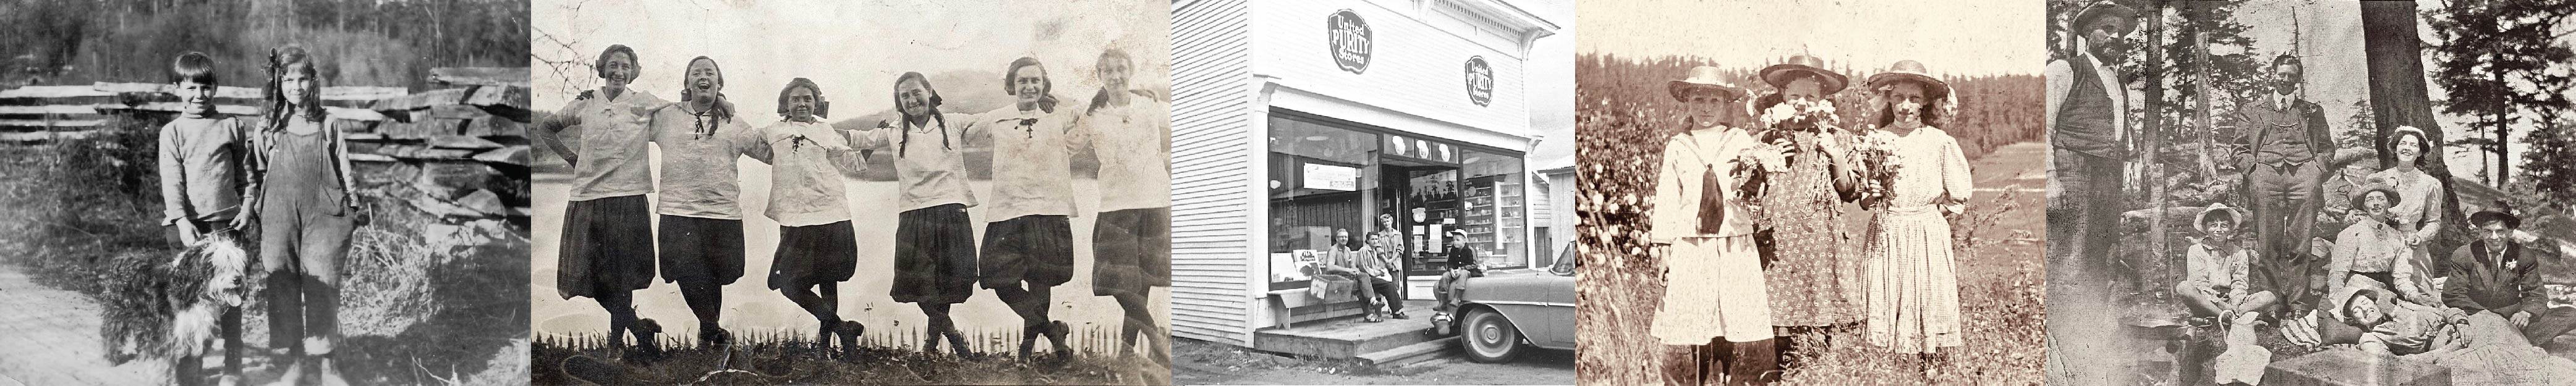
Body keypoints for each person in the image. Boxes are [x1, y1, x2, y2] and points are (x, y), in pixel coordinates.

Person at [534, 44, 669, 362]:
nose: (618, 71)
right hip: (588, 197)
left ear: (634, 71)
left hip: (628, 197)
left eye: (625, 66)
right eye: (612, 65)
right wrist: (570, 157)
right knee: (588, 273)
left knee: (621, 276)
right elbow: (546, 128)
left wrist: (719, 98)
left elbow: (685, 110)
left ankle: (615, 343)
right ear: (601, 69)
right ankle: (638, 328)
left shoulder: (644, 102)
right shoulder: (587, 102)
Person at [1649, 66, 1779, 385]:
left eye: (1714, 101)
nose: (1706, 108)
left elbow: (1754, 186)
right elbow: (1668, 199)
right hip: (1694, 242)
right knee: (1698, 310)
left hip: (1731, 237)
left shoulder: (1739, 140)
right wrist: (1664, 251)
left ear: (1725, 105)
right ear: (1687, 103)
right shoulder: (1678, 145)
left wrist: (1759, 182)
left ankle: (1727, 373)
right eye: (1699, 99)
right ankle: (1701, 374)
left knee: (1729, 310)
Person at [253, 45, 363, 385]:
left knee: (323, 282)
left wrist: (353, 205)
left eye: (303, 79)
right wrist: (256, 206)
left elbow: (344, 166)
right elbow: (256, 169)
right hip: (279, 213)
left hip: (325, 213)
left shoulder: (328, 123)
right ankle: (294, 363)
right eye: (288, 80)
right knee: (281, 280)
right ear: (278, 82)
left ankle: (327, 364)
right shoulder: (269, 125)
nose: (296, 87)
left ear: (313, 82)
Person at [851, 72, 982, 356]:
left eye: (916, 92)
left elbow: (993, 122)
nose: (912, 100)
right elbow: (857, 138)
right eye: (905, 96)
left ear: (929, 91)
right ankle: (957, 341)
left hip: (951, 209)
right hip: (914, 213)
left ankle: (930, 345)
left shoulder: (954, 122)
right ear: (899, 102)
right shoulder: (893, 131)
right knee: (919, 283)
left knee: (946, 282)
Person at [643, 56, 769, 350]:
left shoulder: (734, 123)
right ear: (686, 84)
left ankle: (708, 336)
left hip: (723, 211)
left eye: (709, 73)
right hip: (678, 210)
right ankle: (714, 330)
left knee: (713, 276)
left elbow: (769, 153)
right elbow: (630, 120)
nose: (703, 77)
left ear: (719, 83)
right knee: (686, 272)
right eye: (696, 73)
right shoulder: (666, 117)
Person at [1858, 61, 1973, 371]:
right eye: (1898, 98)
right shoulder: (1875, 140)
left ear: (1925, 103)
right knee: (1888, 297)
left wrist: (1935, 216)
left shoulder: (1939, 142)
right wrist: (1873, 195)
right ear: (1888, 100)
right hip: (1887, 230)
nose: (1906, 107)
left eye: (1914, 99)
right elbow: (1864, 200)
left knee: (1926, 298)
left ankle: (1931, 369)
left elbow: (1958, 194)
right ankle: (1890, 371)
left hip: (1926, 233)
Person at [1750, 54, 1863, 367]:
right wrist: (1767, 160)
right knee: (1780, 312)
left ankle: (1817, 372)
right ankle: (1783, 371)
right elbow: (1749, 193)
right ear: (1783, 97)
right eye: (1795, 96)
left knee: (1820, 309)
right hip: (1780, 238)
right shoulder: (1767, 138)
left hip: (1820, 240)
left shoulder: (1838, 138)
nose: (1802, 103)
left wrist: (1837, 156)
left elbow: (1850, 191)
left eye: (1810, 96)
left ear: (1823, 100)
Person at [974, 57, 1084, 360]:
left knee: (1041, 282)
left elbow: (1091, 111)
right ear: (1011, 85)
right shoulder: (997, 118)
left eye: (1036, 81)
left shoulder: (1058, 115)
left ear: (1044, 85)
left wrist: (1058, 100)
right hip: (1007, 209)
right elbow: (961, 130)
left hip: (1048, 208)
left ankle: (1025, 351)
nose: (1029, 86)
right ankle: (1052, 331)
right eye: (1022, 81)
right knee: (998, 280)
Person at [155, 50, 250, 385]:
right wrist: (181, 221)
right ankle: (189, 372)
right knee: (191, 306)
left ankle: (233, 369)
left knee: (231, 299)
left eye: (206, 88)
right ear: (177, 89)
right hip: (189, 231)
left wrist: (248, 207)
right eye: (191, 88)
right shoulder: (173, 132)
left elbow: (245, 178)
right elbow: (172, 181)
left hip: (226, 228)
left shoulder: (231, 126)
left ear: (216, 88)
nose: (199, 96)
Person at [755, 77, 870, 356]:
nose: (802, 103)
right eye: (795, 99)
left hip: (830, 211)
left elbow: (852, 162)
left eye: (808, 98)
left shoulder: (826, 130)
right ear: (786, 104)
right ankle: (843, 328)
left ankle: (825, 344)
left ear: (817, 103)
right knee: (788, 283)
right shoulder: (773, 131)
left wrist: (869, 145)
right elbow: (755, 148)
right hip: (794, 216)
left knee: (828, 279)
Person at [1074, 48, 1172, 364]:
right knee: (1115, 279)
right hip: (1116, 205)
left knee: (1141, 282)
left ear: (1131, 71)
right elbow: (1064, 147)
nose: (1116, 76)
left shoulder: (1150, 105)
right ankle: (1157, 340)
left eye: (1121, 69)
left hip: (1155, 200)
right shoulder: (1091, 116)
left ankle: (1125, 356)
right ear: (1099, 76)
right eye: (1108, 71)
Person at [2044, 1, 2137, 282]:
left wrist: (2131, 161)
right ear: (2087, 33)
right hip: (2073, 169)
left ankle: (2094, 324)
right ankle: (2060, 324)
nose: (2116, 38)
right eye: (2108, 29)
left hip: (2108, 174)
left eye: (2120, 33)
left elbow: (2121, 130)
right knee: (2070, 249)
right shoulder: (2065, 70)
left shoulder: (2116, 80)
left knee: (2103, 251)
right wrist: (2050, 178)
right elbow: (2042, 127)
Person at [2230, 54, 2336, 275]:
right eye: (2282, 75)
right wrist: (2254, 172)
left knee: (2302, 244)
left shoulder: (2312, 111)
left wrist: (2316, 171)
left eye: (2292, 76)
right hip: (2265, 175)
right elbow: (2239, 148)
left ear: (2299, 80)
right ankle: (2272, 302)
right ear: (2273, 75)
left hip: (2304, 176)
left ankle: (2299, 304)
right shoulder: (2253, 110)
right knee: (2268, 243)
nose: (2286, 80)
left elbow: (2327, 148)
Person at [2443, 205, 2576, 344]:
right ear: (2481, 232)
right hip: (2478, 316)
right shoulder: (2465, 254)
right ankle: (2515, 342)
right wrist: (2485, 316)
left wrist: (2526, 313)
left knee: (2570, 314)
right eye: (2488, 231)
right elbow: (2453, 294)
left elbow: (2536, 294)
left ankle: (2512, 341)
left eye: (2500, 231)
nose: (2494, 237)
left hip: (2512, 319)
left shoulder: (2524, 255)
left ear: (2510, 232)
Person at [2328, 185, 2436, 308]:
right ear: (2364, 206)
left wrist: (2414, 296)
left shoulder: (2396, 237)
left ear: (2389, 204)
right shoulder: (2352, 233)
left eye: (2381, 199)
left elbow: (2401, 277)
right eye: (2370, 200)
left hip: (2386, 288)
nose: (2376, 204)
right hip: (2357, 288)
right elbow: (2338, 274)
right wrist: (2338, 302)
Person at [2370, 126, 2449, 279]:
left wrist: (2420, 237)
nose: (2407, 148)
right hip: (2378, 239)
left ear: (2420, 152)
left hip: (2410, 244)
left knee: (2417, 290)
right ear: (2395, 149)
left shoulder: (2430, 184)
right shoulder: (2378, 179)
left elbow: (2434, 222)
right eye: (2403, 144)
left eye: (2413, 145)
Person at [2339, 278, 2468, 356]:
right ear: (2354, 321)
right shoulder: (2371, 339)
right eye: (2357, 311)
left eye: (2365, 303)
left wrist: (2461, 322)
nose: (2365, 309)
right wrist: (2446, 350)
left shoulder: (2399, 309)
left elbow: (2444, 312)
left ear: (2374, 302)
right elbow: (2395, 365)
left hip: (2462, 328)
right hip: (2451, 351)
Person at [1318, 229, 1403, 322]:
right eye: (1341, 237)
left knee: (1388, 285)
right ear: (1337, 239)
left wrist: (1354, 270)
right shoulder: (1333, 250)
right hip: (1340, 280)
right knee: (1362, 285)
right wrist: (1349, 270)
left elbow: (1352, 265)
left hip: (1354, 278)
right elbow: (1330, 267)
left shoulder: (1347, 250)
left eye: (1346, 237)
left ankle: (1397, 311)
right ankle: (1370, 311)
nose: (1344, 239)